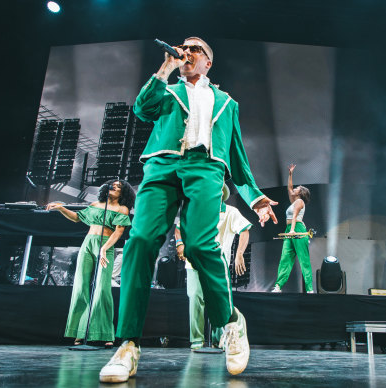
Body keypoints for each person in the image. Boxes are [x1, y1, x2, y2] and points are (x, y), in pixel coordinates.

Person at [99, 37, 277, 383]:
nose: (188, 51)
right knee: (141, 241)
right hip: (162, 165)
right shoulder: (167, 90)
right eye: (184, 47)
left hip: (205, 168)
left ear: (208, 62)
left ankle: (230, 323)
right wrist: (166, 68)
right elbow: (141, 109)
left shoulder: (227, 102)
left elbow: (237, 157)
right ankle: (128, 344)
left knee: (198, 245)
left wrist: (255, 198)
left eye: (196, 49)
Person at [46, 179, 135, 347]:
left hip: (106, 245)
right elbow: (76, 218)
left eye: (119, 187)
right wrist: (61, 208)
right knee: (80, 287)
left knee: (102, 289)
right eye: (113, 185)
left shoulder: (122, 209)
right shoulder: (96, 204)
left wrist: (104, 248)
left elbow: (119, 232)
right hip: (88, 243)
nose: (114, 187)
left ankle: (104, 333)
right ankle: (79, 333)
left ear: (123, 193)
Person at [176, 183, 252, 350]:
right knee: (195, 296)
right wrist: (180, 244)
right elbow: (179, 228)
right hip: (195, 261)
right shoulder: (196, 209)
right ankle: (196, 340)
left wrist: (239, 253)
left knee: (218, 299)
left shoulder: (231, 212)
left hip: (218, 264)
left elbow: (245, 230)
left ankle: (220, 339)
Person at [271, 164, 313, 293]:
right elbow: (289, 188)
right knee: (285, 258)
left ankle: (310, 289)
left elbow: (294, 216)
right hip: (290, 229)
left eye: (297, 188)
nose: (294, 189)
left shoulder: (300, 202)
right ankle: (278, 286)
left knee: (303, 259)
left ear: (301, 192)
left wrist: (292, 230)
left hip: (297, 229)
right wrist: (290, 174)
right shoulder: (294, 201)